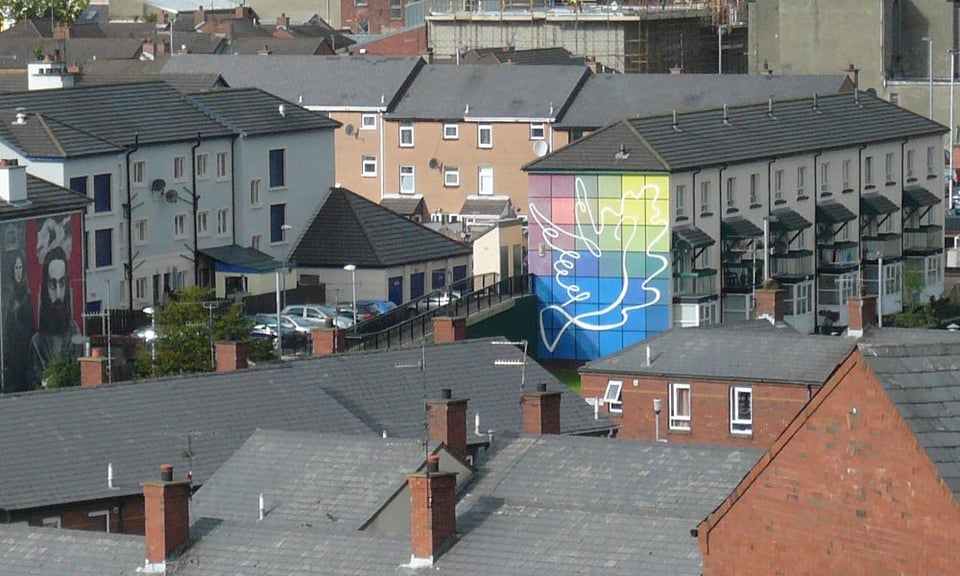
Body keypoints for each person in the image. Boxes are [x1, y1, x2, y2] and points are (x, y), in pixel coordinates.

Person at [29, 219, 80, 389]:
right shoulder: (37, 344)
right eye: (52, 285)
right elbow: (34, 382)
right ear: (45, 289)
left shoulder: (75, 334)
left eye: (62, 283)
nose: (58, 294)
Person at [2, 253, 34, 392]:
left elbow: (31, 324)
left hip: (25, 348)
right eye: (16, 267)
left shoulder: (27, 295)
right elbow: (7, 325)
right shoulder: (9, 295)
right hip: (12, 349)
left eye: (20, 267)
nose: (18, 271)